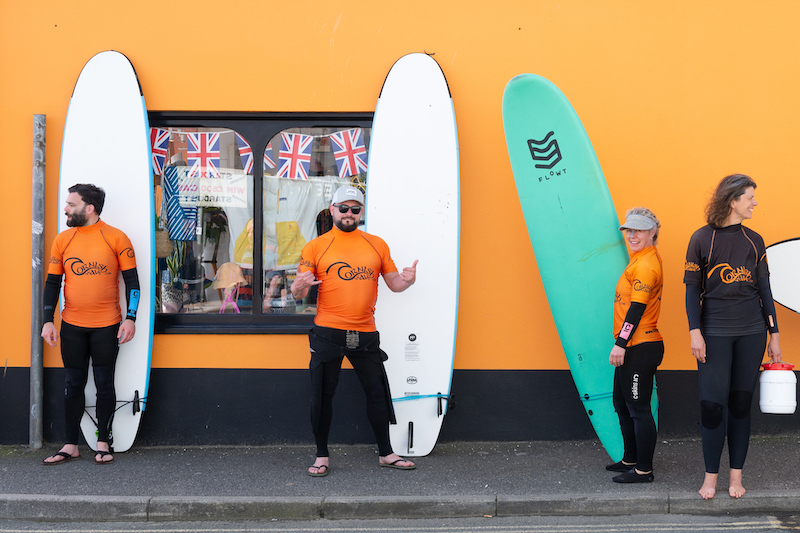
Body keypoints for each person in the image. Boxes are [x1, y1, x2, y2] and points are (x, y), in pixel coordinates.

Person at [290, 186, 418, 477]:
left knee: (377, 394)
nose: (349, 214)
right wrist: (299, 285)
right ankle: (321, 455)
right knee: (321, 396)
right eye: (343, 208)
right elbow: (297, 293)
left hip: (366, 333)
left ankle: (386, 453)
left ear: (361, 212)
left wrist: (408, 281)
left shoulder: (376, 245)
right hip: (327, 333)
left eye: (355, 209)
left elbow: (394, 284)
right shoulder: (315, 247)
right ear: (332, 209)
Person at [684, 174, 781, 499]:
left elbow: (765, 290)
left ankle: (735, 477)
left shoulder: (755, 240)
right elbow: (691, 290)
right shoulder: (702, 239)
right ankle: (710, 478)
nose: (755, 203)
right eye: (750, 197)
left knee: (741, 404)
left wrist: (774, 334)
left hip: (752, 332)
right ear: (732, 200)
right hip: (714, 335)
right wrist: (695, 331)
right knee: (712, 407)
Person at [41, 184, 140, 466]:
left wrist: (130, 317)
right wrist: (48, 321)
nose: (65, 208)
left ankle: (103, 442)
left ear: (89, 208)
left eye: (71, 204)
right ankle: (70, 444)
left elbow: (133, 283)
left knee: (104, 385)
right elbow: (52, 284)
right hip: (71, 325)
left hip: (107, 326)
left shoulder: (116, 238)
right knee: (72, 385)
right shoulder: (63, 240)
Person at [606, 208, 665, 483]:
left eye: (639, 230)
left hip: (640, 346)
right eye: (629, 230)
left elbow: (636, 309)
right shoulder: (638, 259)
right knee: (622, 402)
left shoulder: (645, 264)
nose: (632, 235)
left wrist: (621, 343)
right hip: (632, 346)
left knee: (638, 408)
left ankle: (644, 470)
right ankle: (630, 458)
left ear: (652, 232)